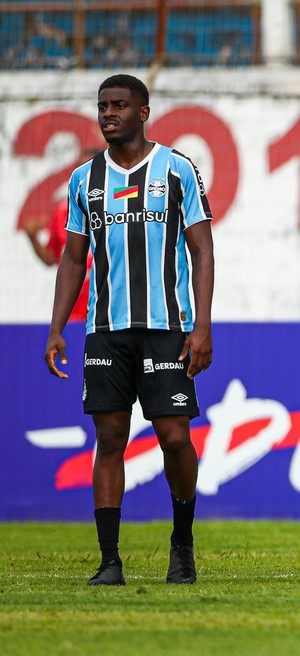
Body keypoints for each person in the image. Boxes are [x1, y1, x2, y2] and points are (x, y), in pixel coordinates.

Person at [43, 74, 214, 586]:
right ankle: (109, 560)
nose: (108, 113)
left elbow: (202, 249)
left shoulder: (178, 170)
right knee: (110, 436)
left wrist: (202, 325)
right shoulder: (83, 180)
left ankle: (181, 543)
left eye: (119, 105)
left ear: (144, 111)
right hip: (106, 331)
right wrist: (56, 328)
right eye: (103, 106)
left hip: (167, 327)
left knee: (174, 437)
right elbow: (74, 259)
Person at [24, 150, 101, 322]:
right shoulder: (62, 211)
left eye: (90, 169)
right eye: (80, 169)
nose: (85, 176)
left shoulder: (119, 207)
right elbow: (51, 257)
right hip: (72, 312)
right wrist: (32, 238)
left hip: (107, 310)